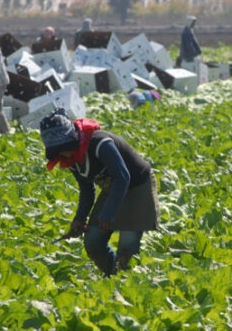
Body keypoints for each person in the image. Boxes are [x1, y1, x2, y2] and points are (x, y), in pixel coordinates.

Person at [40, 108, 159, 275]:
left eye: (64, 147)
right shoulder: (70, 158)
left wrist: (108, 213)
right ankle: (112, 275)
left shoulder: (100, 143)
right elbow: (87, 190)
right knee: (93, 241)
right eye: (58, 151)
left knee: (127, 246)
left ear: (71, 140)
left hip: (137, 186)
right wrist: (79, 219)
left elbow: (123, 177)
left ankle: (126, 281)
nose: (62, 153)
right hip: (112, 188)